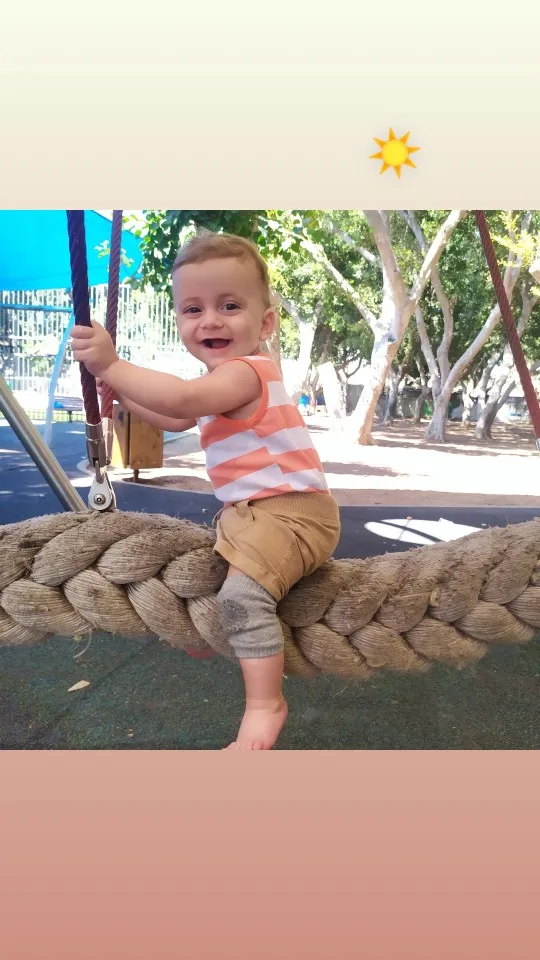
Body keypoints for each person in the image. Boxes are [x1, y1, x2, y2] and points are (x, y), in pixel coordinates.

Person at [70, 230, 341, 750]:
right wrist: (120, 396)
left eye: (229, 305)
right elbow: (175, 419)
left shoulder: (247, 372)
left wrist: (111, 366)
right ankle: (214, 633)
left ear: (265, 323)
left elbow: (182, 400)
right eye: (193, 309)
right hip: (250, 516)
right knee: (200, 580)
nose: (210, 320)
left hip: (292, 515)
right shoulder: (220, 384)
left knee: (241, 598)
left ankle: (266, 703)